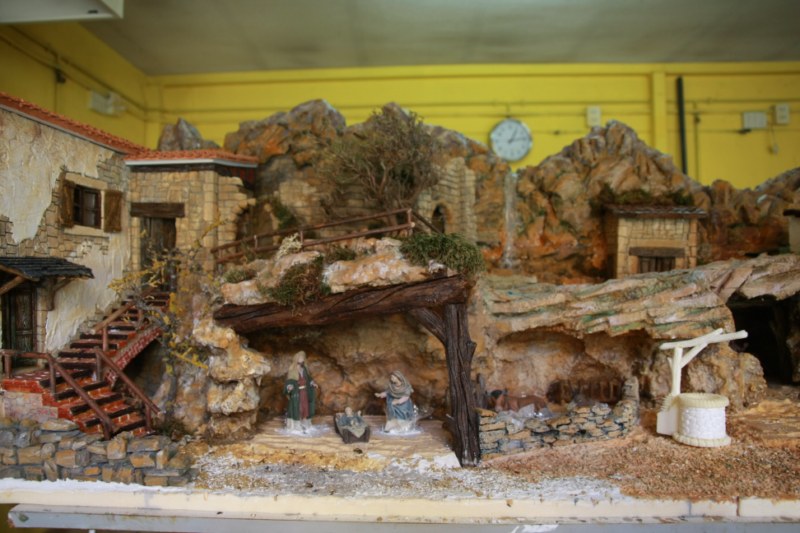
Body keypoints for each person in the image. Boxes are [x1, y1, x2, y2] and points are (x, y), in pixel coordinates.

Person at [284, 350, 318, 431]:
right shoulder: (293, 370)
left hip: (304, 392)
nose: (302, 359)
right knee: (298, 408)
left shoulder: (304, 369)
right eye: (300, 358)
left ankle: (305, 423)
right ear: (297, 359)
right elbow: (289, 381)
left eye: (303, 358)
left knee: (305, 407)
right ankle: (297, 424)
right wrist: (289, 387)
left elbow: (308, 379)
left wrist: (312, 383)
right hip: (297, 393)